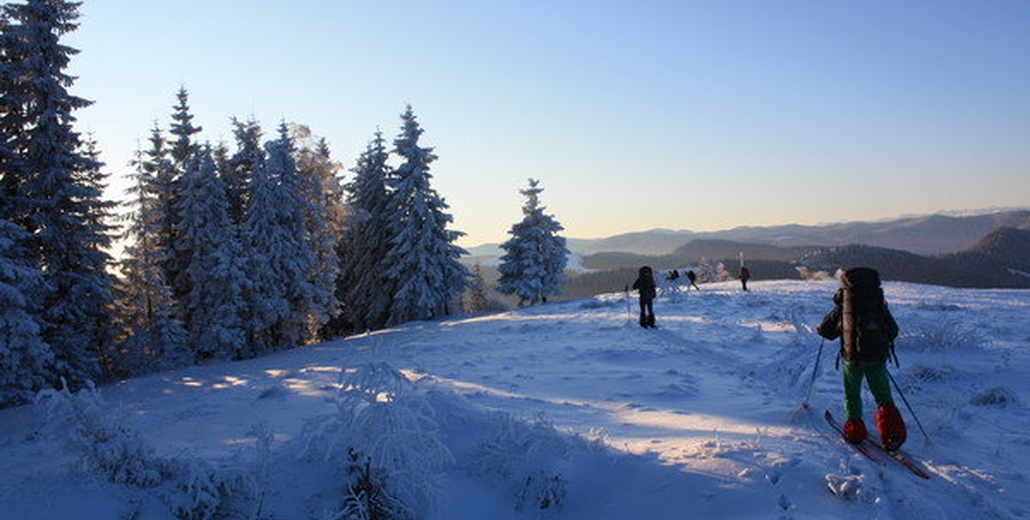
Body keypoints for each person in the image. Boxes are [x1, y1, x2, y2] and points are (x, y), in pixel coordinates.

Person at [817, 267, 907, 451]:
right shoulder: (877, 302)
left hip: (852, 359)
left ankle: (855, 431)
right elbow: (893, 330)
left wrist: (838, 308)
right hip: (877, 358)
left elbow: (826, 331)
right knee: (883, 397)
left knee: (852, 395)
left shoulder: (846, 303)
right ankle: (892, 434)